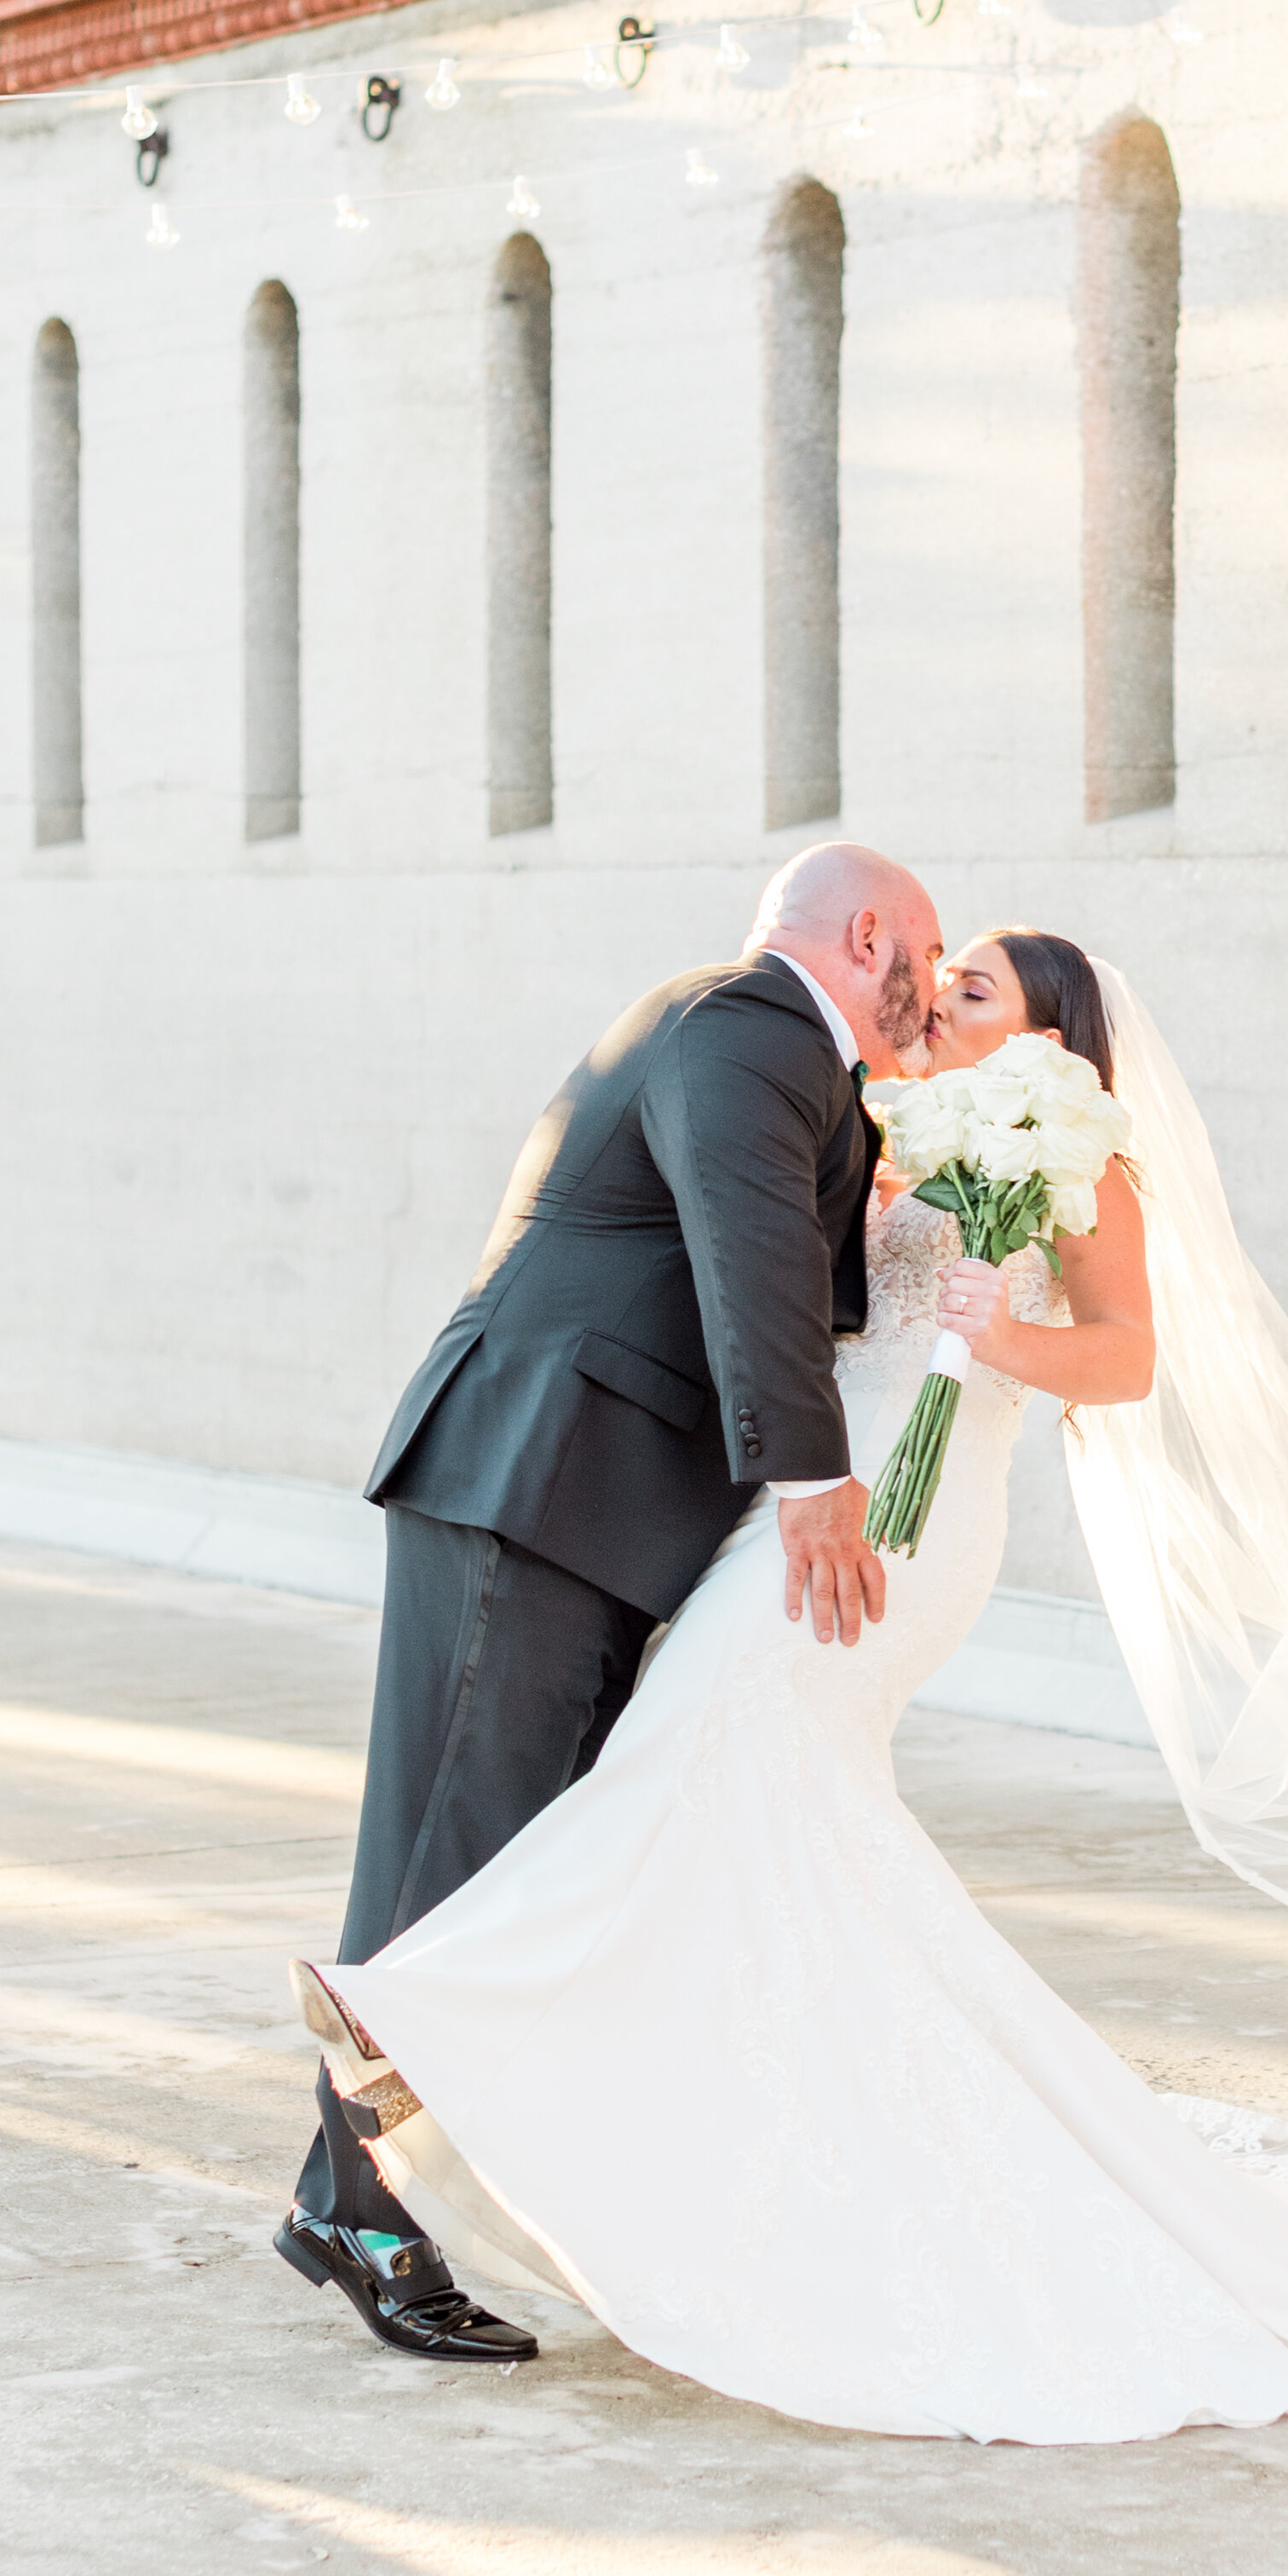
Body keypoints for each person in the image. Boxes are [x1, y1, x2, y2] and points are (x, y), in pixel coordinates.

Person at [291, 927, 1288, 2441]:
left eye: (977, 984)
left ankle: (422, 2007)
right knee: (744, 1808)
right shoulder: (884, 1119)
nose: (939, 993)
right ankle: (695, 2122)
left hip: (903, 1524)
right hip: (810, 1499)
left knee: (697, 1760)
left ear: (1052, 1041)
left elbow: (1128, 1354)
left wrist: (1009, 1329)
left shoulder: (1078, 1156)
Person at [274, 840, 946, 2361]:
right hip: (534, 1484)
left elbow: (774, 1240)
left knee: (518, 1870)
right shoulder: (750, 1024)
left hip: (578, 1498)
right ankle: (356, 2204)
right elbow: (746, 1251)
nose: (928, 984)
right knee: (454, 1864)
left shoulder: (764, 1047)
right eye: (927, 949)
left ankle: (372, 2191)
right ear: (864, 934)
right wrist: (812, 1482)